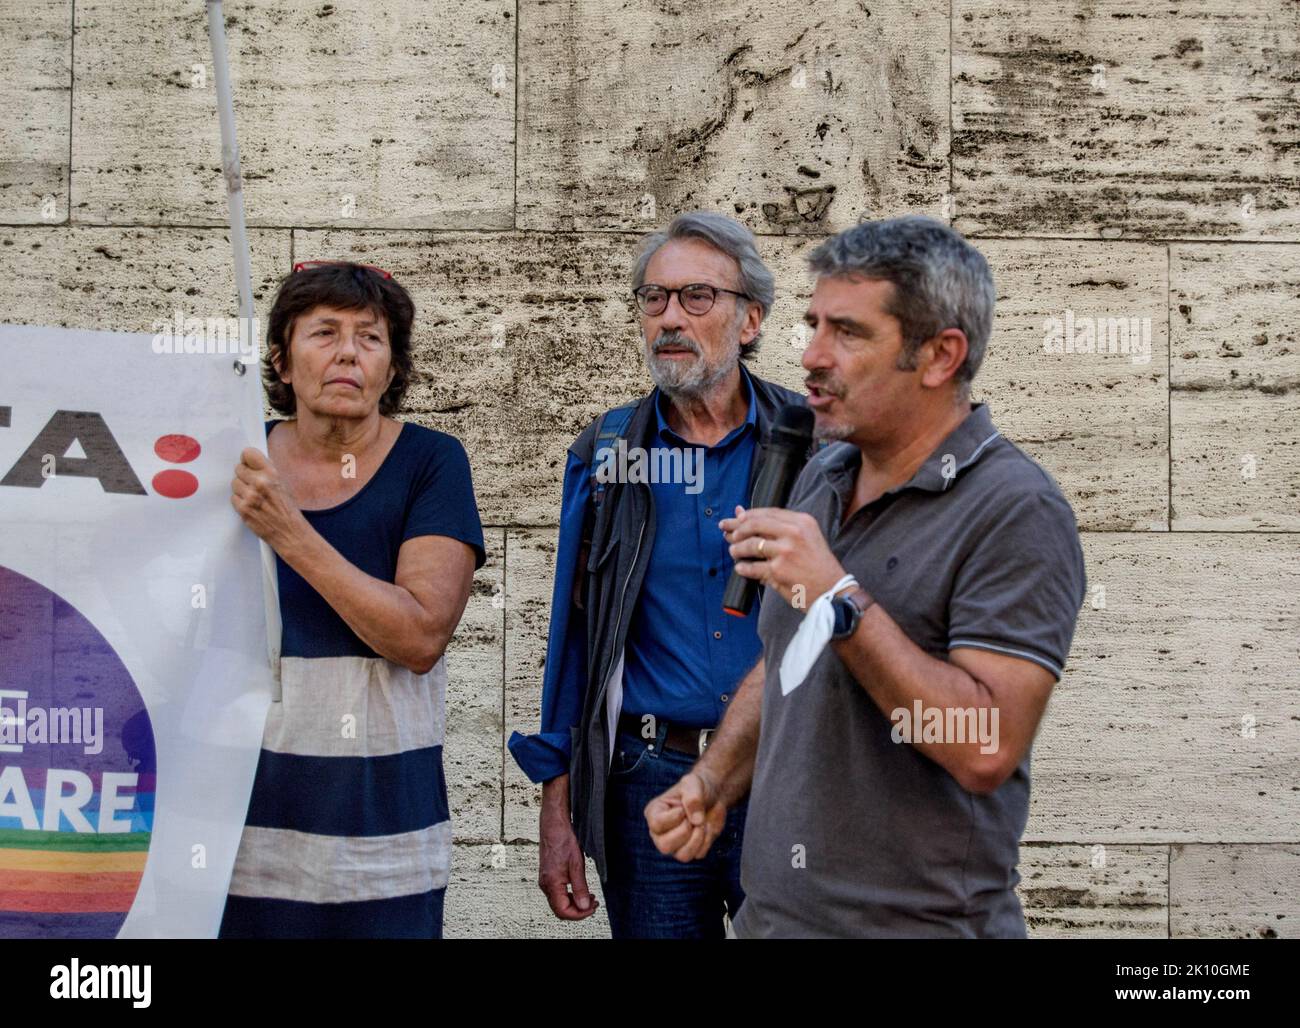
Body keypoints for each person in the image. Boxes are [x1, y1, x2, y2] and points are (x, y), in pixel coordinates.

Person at [645, 216, 1087, 938]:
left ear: (941, 356)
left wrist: (835, 596)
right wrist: (712, 781)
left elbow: (985, 747)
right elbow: (786, 660)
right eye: (814, 324)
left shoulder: (1015, 508)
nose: (811, 355)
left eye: (848, 333)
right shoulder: (822, 473)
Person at [508, 212, 806, 938]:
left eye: (697, 297)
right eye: (654, 299)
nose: (670, 317)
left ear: (750, 319)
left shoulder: (814, 443)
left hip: (792, 778)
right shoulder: (609, 452)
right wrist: (560, 805)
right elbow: (576, 636)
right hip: (650, 782)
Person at [219, 260, 485, 939]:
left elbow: (419, 635)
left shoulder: (431, 463)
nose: (347, 352)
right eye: (324, 332)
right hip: (237, 836)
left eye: (371, 337)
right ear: (279, 357)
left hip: (383, 841)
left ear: (392, 368)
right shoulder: (233, 457)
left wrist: (288, 532)